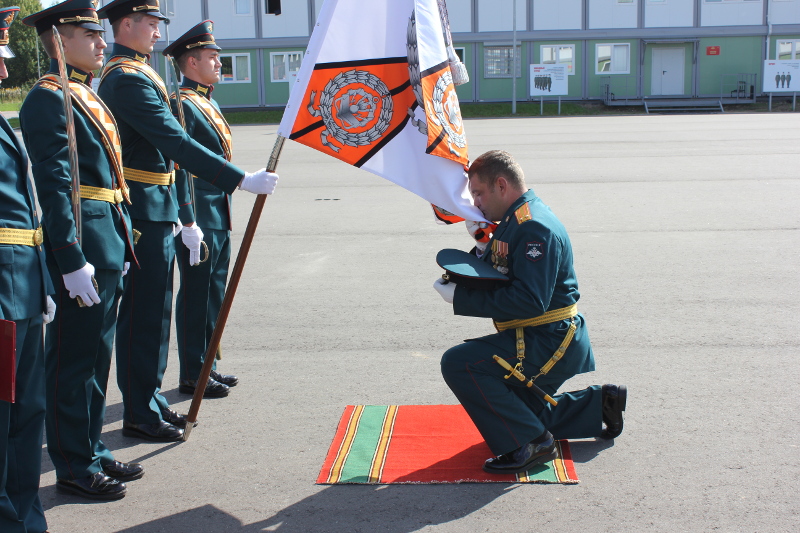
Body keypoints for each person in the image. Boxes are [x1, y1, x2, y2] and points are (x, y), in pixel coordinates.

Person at [96, 0, 278, 442]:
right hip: (142, 208)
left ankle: (149, 401)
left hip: (156, 207)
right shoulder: (125, 79)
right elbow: (173, 142)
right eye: (152, 22)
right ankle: (140, 410)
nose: (158, 32)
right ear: (126, 24)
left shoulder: (139, 74)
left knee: (155, 318)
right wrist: (237, 180)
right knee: (143, 319)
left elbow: (170, 155)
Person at [433, 150, 626, 474]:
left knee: (459, 362)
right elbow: (503, 272)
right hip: (538, 334)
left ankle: (534, 444)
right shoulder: (515, 219)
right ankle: (599, 407)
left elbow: (529, 300)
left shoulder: (533, 227)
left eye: (478, 193)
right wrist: (482, 247)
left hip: (547, 339)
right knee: (514, 415)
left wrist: (461, 299)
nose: (476, 202)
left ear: (501, 184)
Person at [19, 0, 141, 501]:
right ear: (58, 40)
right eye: (87, 34)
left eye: (98, 33)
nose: (100, 42)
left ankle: (89, 447)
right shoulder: (48, 98)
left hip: (108, 238)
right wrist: (69, 259)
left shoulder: (83, 94)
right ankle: (72, 464)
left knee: (97, 356)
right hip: (83, 247)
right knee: (73, 360)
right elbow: (55, 183)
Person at [163, 21, 239, 399]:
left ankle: (207, 365)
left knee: (213, 295)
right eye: (212, 58)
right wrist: (187, 218)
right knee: (196, 296)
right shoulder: (179, 102)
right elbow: (180, 164)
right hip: (198, 215)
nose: (219, 64)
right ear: (190, 62)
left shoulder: (207, 100)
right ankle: (192, 372)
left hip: (219, 212)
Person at [0, 7, 53, 531]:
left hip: (23, 288)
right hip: (1, 295)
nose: (2, 69)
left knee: (25, 418)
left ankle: (25, 519)